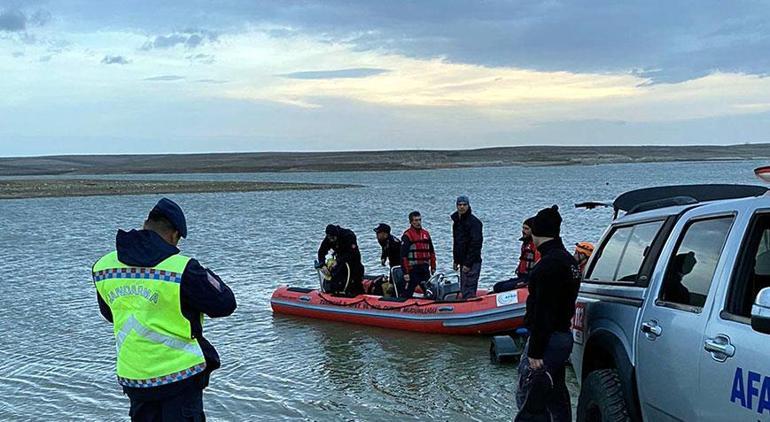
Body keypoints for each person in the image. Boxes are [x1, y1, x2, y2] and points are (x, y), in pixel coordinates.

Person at [92, 198, 237, 421]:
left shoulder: (104, 267)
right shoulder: (181, 268)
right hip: (179, 378)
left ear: (145, 224)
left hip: (135, 378)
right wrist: (201, 272)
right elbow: (225, 303)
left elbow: (110, 313)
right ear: (174, 235)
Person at [515, 205, 581, 422]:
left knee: (530, 398)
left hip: (547, 340)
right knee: (556, 395)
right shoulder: (569, 261)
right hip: (563, 336)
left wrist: (535, 350)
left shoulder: (548, 266)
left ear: (537, 233)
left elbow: (544, 310)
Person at [493, 217, 540, 293]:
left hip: (528, 279)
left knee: (501, 288)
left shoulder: (536, 246)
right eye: (523, 228)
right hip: (522, 277)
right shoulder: (525, 244)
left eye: (526, 229)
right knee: (497, 286)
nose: (523, 231)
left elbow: (538, 265)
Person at [317, 224, 365, 296]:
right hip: (340, 260)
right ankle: (336, 293)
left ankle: (360, 295)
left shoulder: (348, 235)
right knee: (336, 277)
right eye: (330, 238)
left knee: (355, 279)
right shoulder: (328, 238)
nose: (331, 240)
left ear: (336, 235)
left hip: (353, 259)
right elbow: (321, 251)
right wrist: (322, 264)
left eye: (333, 238)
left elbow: (351, 253)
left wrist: (338, 261)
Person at [451, 195, 483, 298]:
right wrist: (456, 260)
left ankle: (471, 307)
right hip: (462, 260)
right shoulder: (457, 223)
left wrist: (468, 263)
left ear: (468, 206)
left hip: (472, 262)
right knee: (464, 287)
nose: (462, 207)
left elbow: (476, 244)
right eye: (459, 205)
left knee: (469, 288)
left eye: (464, 205)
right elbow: (457, 243)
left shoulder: (474, 223)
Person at [400, 211, 437, 298]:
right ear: (411, 222)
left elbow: (431, 251)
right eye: (416, 220)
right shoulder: (407, 236)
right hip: (413, 269)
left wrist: (433, 266)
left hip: (424, 268)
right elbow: (403, 256)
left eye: (419, 220)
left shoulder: (426, 234)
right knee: (408, 291)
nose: (418, 222)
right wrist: (406, 272)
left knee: (428, 290)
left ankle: (430, 304)